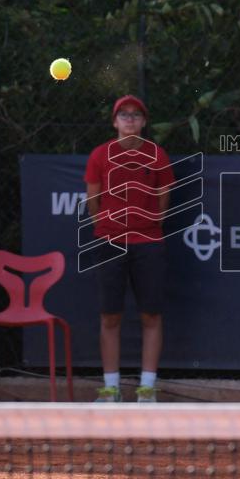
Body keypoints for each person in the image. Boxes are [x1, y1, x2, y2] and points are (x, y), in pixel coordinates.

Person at [84, 94, 174, 403]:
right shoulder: (100, 155)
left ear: (144, 122)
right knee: (110, 317)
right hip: (109, 242)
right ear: (115, 122)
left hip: (148, 243)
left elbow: (164, 198)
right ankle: (111, 389)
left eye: (136, 115)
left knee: (151, 315)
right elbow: (93, 200)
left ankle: (147, 388)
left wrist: (149, 225)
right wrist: (110, 228)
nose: (130, 119)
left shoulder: (157, 155)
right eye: (124, 114)